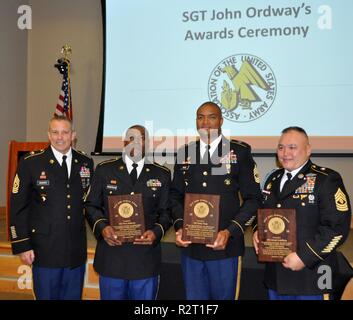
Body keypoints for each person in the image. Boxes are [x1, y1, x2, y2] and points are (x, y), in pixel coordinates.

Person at [170, 101, 262, 300]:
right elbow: (175, 196)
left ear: (220, 120)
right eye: (200, 117)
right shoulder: (185, 153)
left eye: (211, 117)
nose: (205, 122)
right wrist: (180, 226)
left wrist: (230, 231)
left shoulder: (239, 152)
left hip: (225, 250)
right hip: (191, 248)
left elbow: (253, 199)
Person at [253, 126, 352, 300]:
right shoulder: (272, 179)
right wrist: (256, 231)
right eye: (281, 147)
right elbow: (261, 211)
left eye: (292, 147)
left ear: (308, 150)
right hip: (276, 275)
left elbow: (337, 228)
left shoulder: (326, 179)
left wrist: (304, 257)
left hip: (312, 276)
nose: (285, 153)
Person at [10, 115, 94, 300]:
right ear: (48, 134)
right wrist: (22, 244)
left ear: (73, 135)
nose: (60, 137)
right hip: (44, 250)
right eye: (55, 132)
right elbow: (18, 207)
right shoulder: (31, 162)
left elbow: (90, 203)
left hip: (75, 251)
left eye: (65, 132)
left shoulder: (85, 162)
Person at [84, 125, 171, 300]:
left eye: (141, 139)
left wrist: (156, 233)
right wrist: (102, 228)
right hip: (112, 258)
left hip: (145, 260)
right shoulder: (104, 170)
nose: (136, 143)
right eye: (131, 138)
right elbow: (91, 205)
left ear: (148, 143)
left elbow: (167, 211)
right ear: (124, 142)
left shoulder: (161, 173)